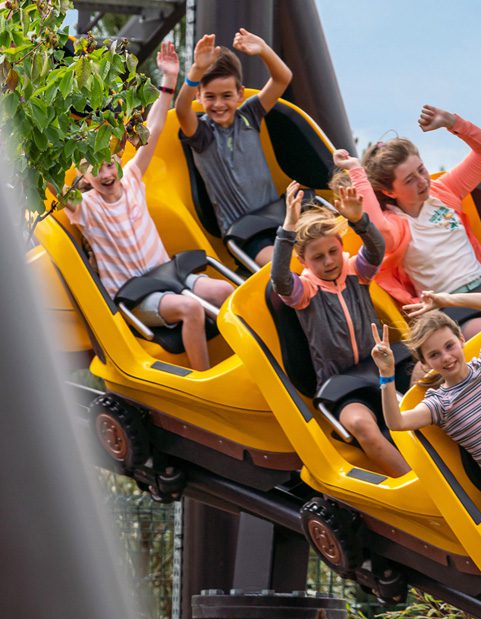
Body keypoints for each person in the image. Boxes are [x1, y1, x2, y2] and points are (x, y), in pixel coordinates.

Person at [65, 40, 233, 372]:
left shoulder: (132, 181)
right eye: (95, 169)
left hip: (169, 275)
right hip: (136, 296)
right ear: (83, 173)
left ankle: (247, 361)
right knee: (192, 309)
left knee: (226, 290)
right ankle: (203, 383)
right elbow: (49, 176)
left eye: (110, 164)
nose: (106, 173)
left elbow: (153, 128)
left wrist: (169, 81)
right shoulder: (84, 207)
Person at [336, 107, 481, 338]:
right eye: (410, 179)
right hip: (454, 312)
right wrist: (356, 171)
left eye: (422, 169)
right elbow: (378, 228)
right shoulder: (397, 225)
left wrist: (452, 122)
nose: (423, 181)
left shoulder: (443, 193)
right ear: (389, 192)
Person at [271, 181, 409, 477]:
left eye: (333, 251)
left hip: (382, 364)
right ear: (302, 260)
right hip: (342, 384)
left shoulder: (355, 273)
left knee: (431, 376)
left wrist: (359, 220)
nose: (329, 261)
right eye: (318, 257)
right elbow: (280, 279)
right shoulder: (304, 290)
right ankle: (415, 481)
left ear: (341, 247)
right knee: (362, 426)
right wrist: (288, 230)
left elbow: (376, 249)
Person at [371, 291, 481, 491]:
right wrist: (386, 373)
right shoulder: (439, 403)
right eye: (434, 354)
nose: (446, 357)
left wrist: (445, 300)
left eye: (449, 346)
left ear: (461, 340)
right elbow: (396, 422)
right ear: (425, 363)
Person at [176, 29, 293, 266]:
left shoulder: (249, 115)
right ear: (199, 95)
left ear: (239, 94)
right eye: (210, 97)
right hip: (247, 234)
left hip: (280, 217)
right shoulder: (202, 134)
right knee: (282, 267)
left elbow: (283, 78)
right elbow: (181, 109)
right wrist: (197, 70)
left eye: (226, 96)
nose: (219, 104)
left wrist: (263, 49)